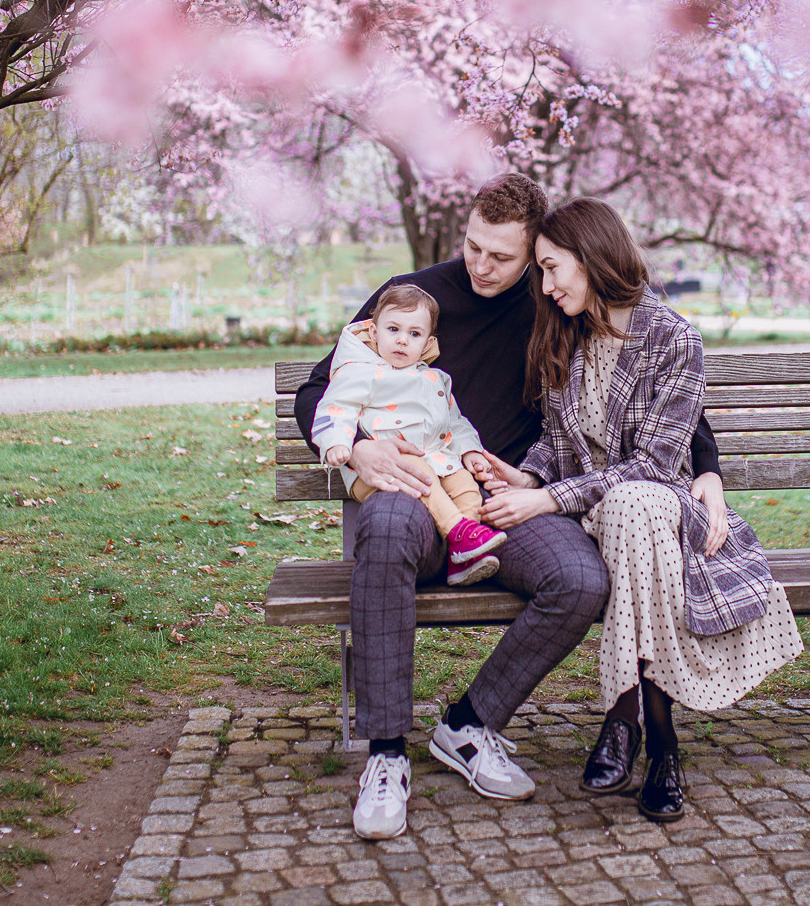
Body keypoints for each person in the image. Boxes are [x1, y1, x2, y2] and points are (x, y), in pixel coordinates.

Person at [292, 174, 729, 841]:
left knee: (580, 579)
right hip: (414, 488)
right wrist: (357, 447)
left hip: (510, 497)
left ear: (534, 255)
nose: (481, 265)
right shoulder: (410, 297)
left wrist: (709, 469)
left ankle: (469, 725)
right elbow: (317, 389)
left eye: (502, 256)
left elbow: (663, 384)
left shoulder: (552, 300)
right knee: (384, 525)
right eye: (472, 246)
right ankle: (386, 753)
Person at [478, 197, 803, 823]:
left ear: (590, 257)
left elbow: (655, 464)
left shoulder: (672, 338)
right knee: (629, 515)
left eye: (551, 268)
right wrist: (527, 474)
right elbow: (558, 440)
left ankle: (626, 719)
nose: (544, 286)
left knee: (635, 505)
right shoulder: (563, 332)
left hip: (657, 509)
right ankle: (661, 746)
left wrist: (546, 498)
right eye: (540, 271)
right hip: (596, 517)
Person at [313, 283, 509, 586]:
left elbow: (454, 422)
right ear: (374, 332)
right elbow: (335, 407)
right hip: (380, 470)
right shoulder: (360, 372)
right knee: (417, 471)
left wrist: (470, 450)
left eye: (414, 334)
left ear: (428, 343)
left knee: (467, 488)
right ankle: (459, 531)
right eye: (393, 329)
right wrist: (339, 443)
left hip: (436, 460)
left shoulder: (435, 379)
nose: (402, 340)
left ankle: (464, 553)